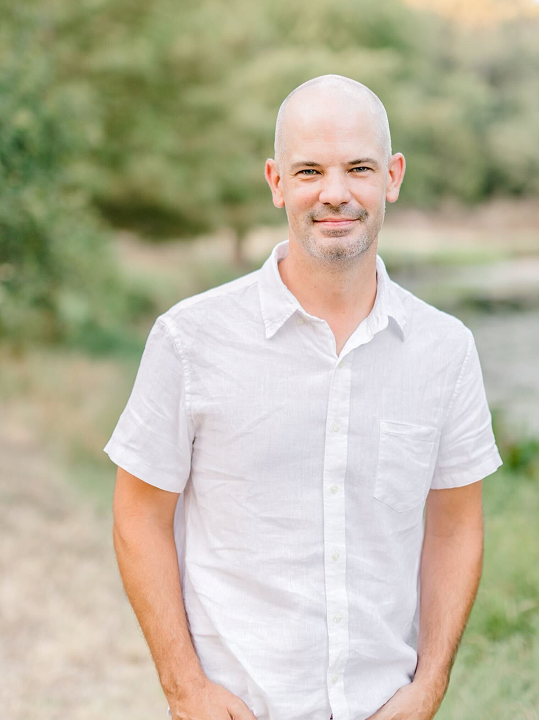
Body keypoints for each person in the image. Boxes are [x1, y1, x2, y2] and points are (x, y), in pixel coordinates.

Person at [104, 73, 503, 720]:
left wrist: (429, 686)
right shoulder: (189, 339)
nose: (335, 193)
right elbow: (138, 516)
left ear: (393, 177)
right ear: (276, 182)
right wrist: (185, 689)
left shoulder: (445, 349)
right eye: (310, 170)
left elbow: (456, 525)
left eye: (359, 168)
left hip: (384, 707)